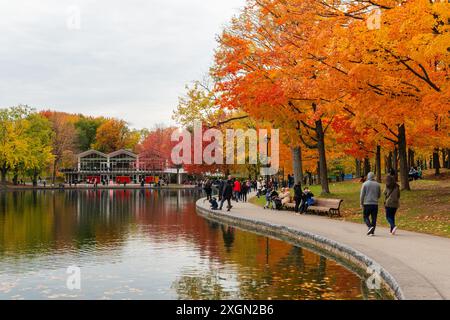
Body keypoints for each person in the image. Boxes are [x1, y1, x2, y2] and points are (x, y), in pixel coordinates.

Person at [360, 172, 381, 236]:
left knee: (365, 216)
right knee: (374, 218)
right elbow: (379, 195)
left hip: (367, 203)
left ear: (368, 176)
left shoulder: (365, 184)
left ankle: (369, 226)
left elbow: (362, 195)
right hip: (375, 204)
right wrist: (375, 198)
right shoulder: (377, 184)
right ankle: (372, 232)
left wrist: (361, 203)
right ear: (373, 176)